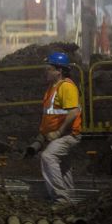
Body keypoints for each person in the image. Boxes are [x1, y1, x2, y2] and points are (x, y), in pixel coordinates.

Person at [38, 51, 82, 203]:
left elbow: (73, 112)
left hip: (68, 135)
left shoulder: (66, 87)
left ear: (59, 70)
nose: (46, 71)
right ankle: (71, 200)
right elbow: (51, 113)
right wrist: (44, 133)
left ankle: (61, 200)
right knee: (63, 166)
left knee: (48, 156)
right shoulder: (53, 87)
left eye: (49, 68)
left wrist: (57, 132)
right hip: (59, 135)